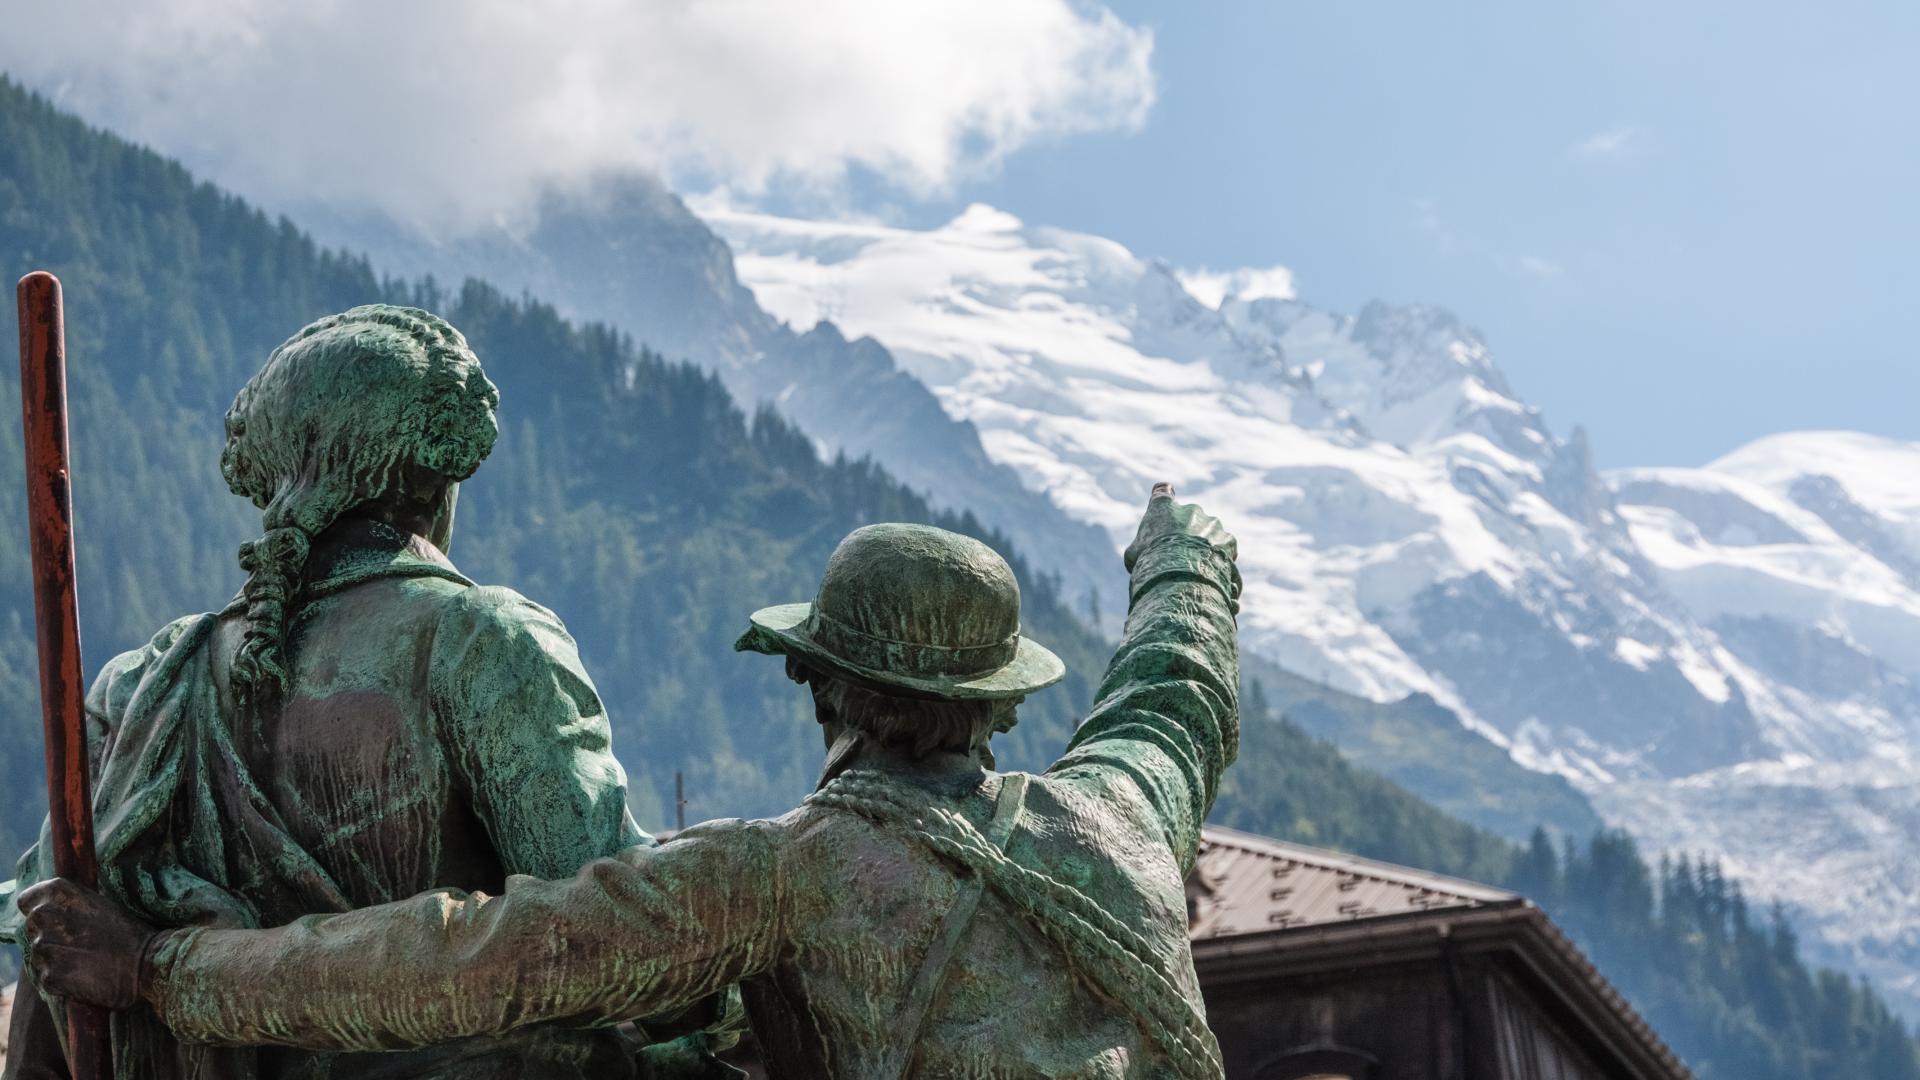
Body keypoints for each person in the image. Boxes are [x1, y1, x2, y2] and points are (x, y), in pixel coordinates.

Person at [22, 484, 1241, 1079]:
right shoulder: (1127, 809)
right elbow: (1178, 682)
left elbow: (457, 963)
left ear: (817, 687)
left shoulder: (769, 884)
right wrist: (1187, 556)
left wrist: (153, 969)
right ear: (1005, 699)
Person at [1, 305, 726, 1079]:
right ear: (434, 477)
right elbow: (616, 937)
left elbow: (53, 935)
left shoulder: (145, 681)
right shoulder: (481, 642)